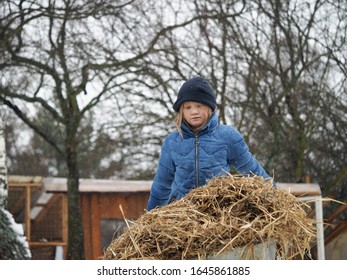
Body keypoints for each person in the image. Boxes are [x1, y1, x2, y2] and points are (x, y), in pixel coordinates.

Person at [146, 76, 273, 211]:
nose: (194, 112)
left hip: (218, 212)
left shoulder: (228, 136)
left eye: (198, 106)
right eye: (188, 107)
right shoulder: (172, 142)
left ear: (209, 107)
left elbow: (252, 170)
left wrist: (274, 195)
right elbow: (162, 184)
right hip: (181, 213)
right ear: (182, 111)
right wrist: (148, 218)